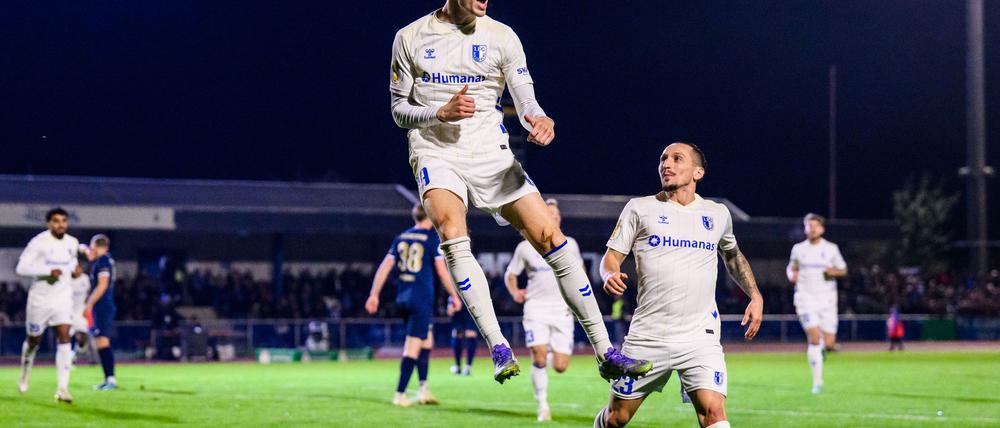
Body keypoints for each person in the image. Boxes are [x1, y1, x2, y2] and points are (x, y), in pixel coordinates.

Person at [390, 0, 649, 384]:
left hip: (491, 154)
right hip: (435, 150)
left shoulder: (502, 36)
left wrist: (538, 118)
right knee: (451, 230)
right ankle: (498, 346)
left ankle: (605, 351)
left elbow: (525, 97)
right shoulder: (410, 37)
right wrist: (438, 113)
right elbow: (399, 110)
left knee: (552, 237)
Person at [594, 143, 764, 428]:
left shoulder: (717, 213)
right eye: (663, 159)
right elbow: (610, 258)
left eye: (676, 158)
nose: (667, 164)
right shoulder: (639, 208)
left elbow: (733, 256)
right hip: (648, 335)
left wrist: (755, 295)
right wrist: (610, 275)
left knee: (714, 413)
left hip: (700, 336)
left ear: (698, 172)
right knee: (616, 418)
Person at [366, 204, 462, 407]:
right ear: (430, 216)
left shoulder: (401, 237)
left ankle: (424, 390)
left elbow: (385, 266)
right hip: (421, 299)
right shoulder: (431, 238)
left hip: (403, 297)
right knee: (413, 345)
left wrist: (374, 294)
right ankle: (399, 393)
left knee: (426, 341)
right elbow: (442, 271)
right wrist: (454, 295)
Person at [504, 198, 577, 422]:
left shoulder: (570, 244)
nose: (554, 218)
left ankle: (550, 352)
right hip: (535, 308)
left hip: (562, 310)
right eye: (549, 214)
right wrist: (515, 292)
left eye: (556, 215)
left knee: (561, 366)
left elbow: (579, 274)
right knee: (538, 356)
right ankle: (543, 406)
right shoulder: (526, 246)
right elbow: (510, 274)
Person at [15, 207, 81, 403]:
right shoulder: (39, 242)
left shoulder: (72, 242)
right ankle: (25, 372)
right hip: (40, 300)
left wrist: (76, 270)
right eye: (56, 221)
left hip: (63, 298)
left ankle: (63, 388)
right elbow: (21, 268)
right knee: (34, 340)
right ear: (49, 223)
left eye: (63, 221)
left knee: (65, 336)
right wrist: (47, 271)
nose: (60, 224)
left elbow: (71, 263)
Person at [786, 213, 847, 394]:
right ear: (805, 228)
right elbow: (792, 267)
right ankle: (817, 383)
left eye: (815, 226)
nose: (812, 229)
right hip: (805, 298)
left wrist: (834, 271)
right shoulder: (798, 249)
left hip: (827, 300)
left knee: (829, 343)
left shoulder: (831, 248)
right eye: (809, 225)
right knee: (814, 338)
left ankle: (823, 350)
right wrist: (791, 274)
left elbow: (843, 269)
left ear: (822, 229)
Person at [85, 234, 118, 390]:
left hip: (103, 305)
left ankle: (111, 380)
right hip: (102, 305)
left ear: (100, 248)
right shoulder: (105, 260)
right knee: (100, 342)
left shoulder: (103, 261)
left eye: (92, 248)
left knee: (103, 342)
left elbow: (102, 285)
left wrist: (89, 303)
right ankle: (107, 379)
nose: (91, 251)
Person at [449, 295, 478, 376]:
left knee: (470, 334)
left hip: (469, 299)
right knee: (459, 334)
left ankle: (463, 367)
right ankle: (462, 366)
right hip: (463, 299)